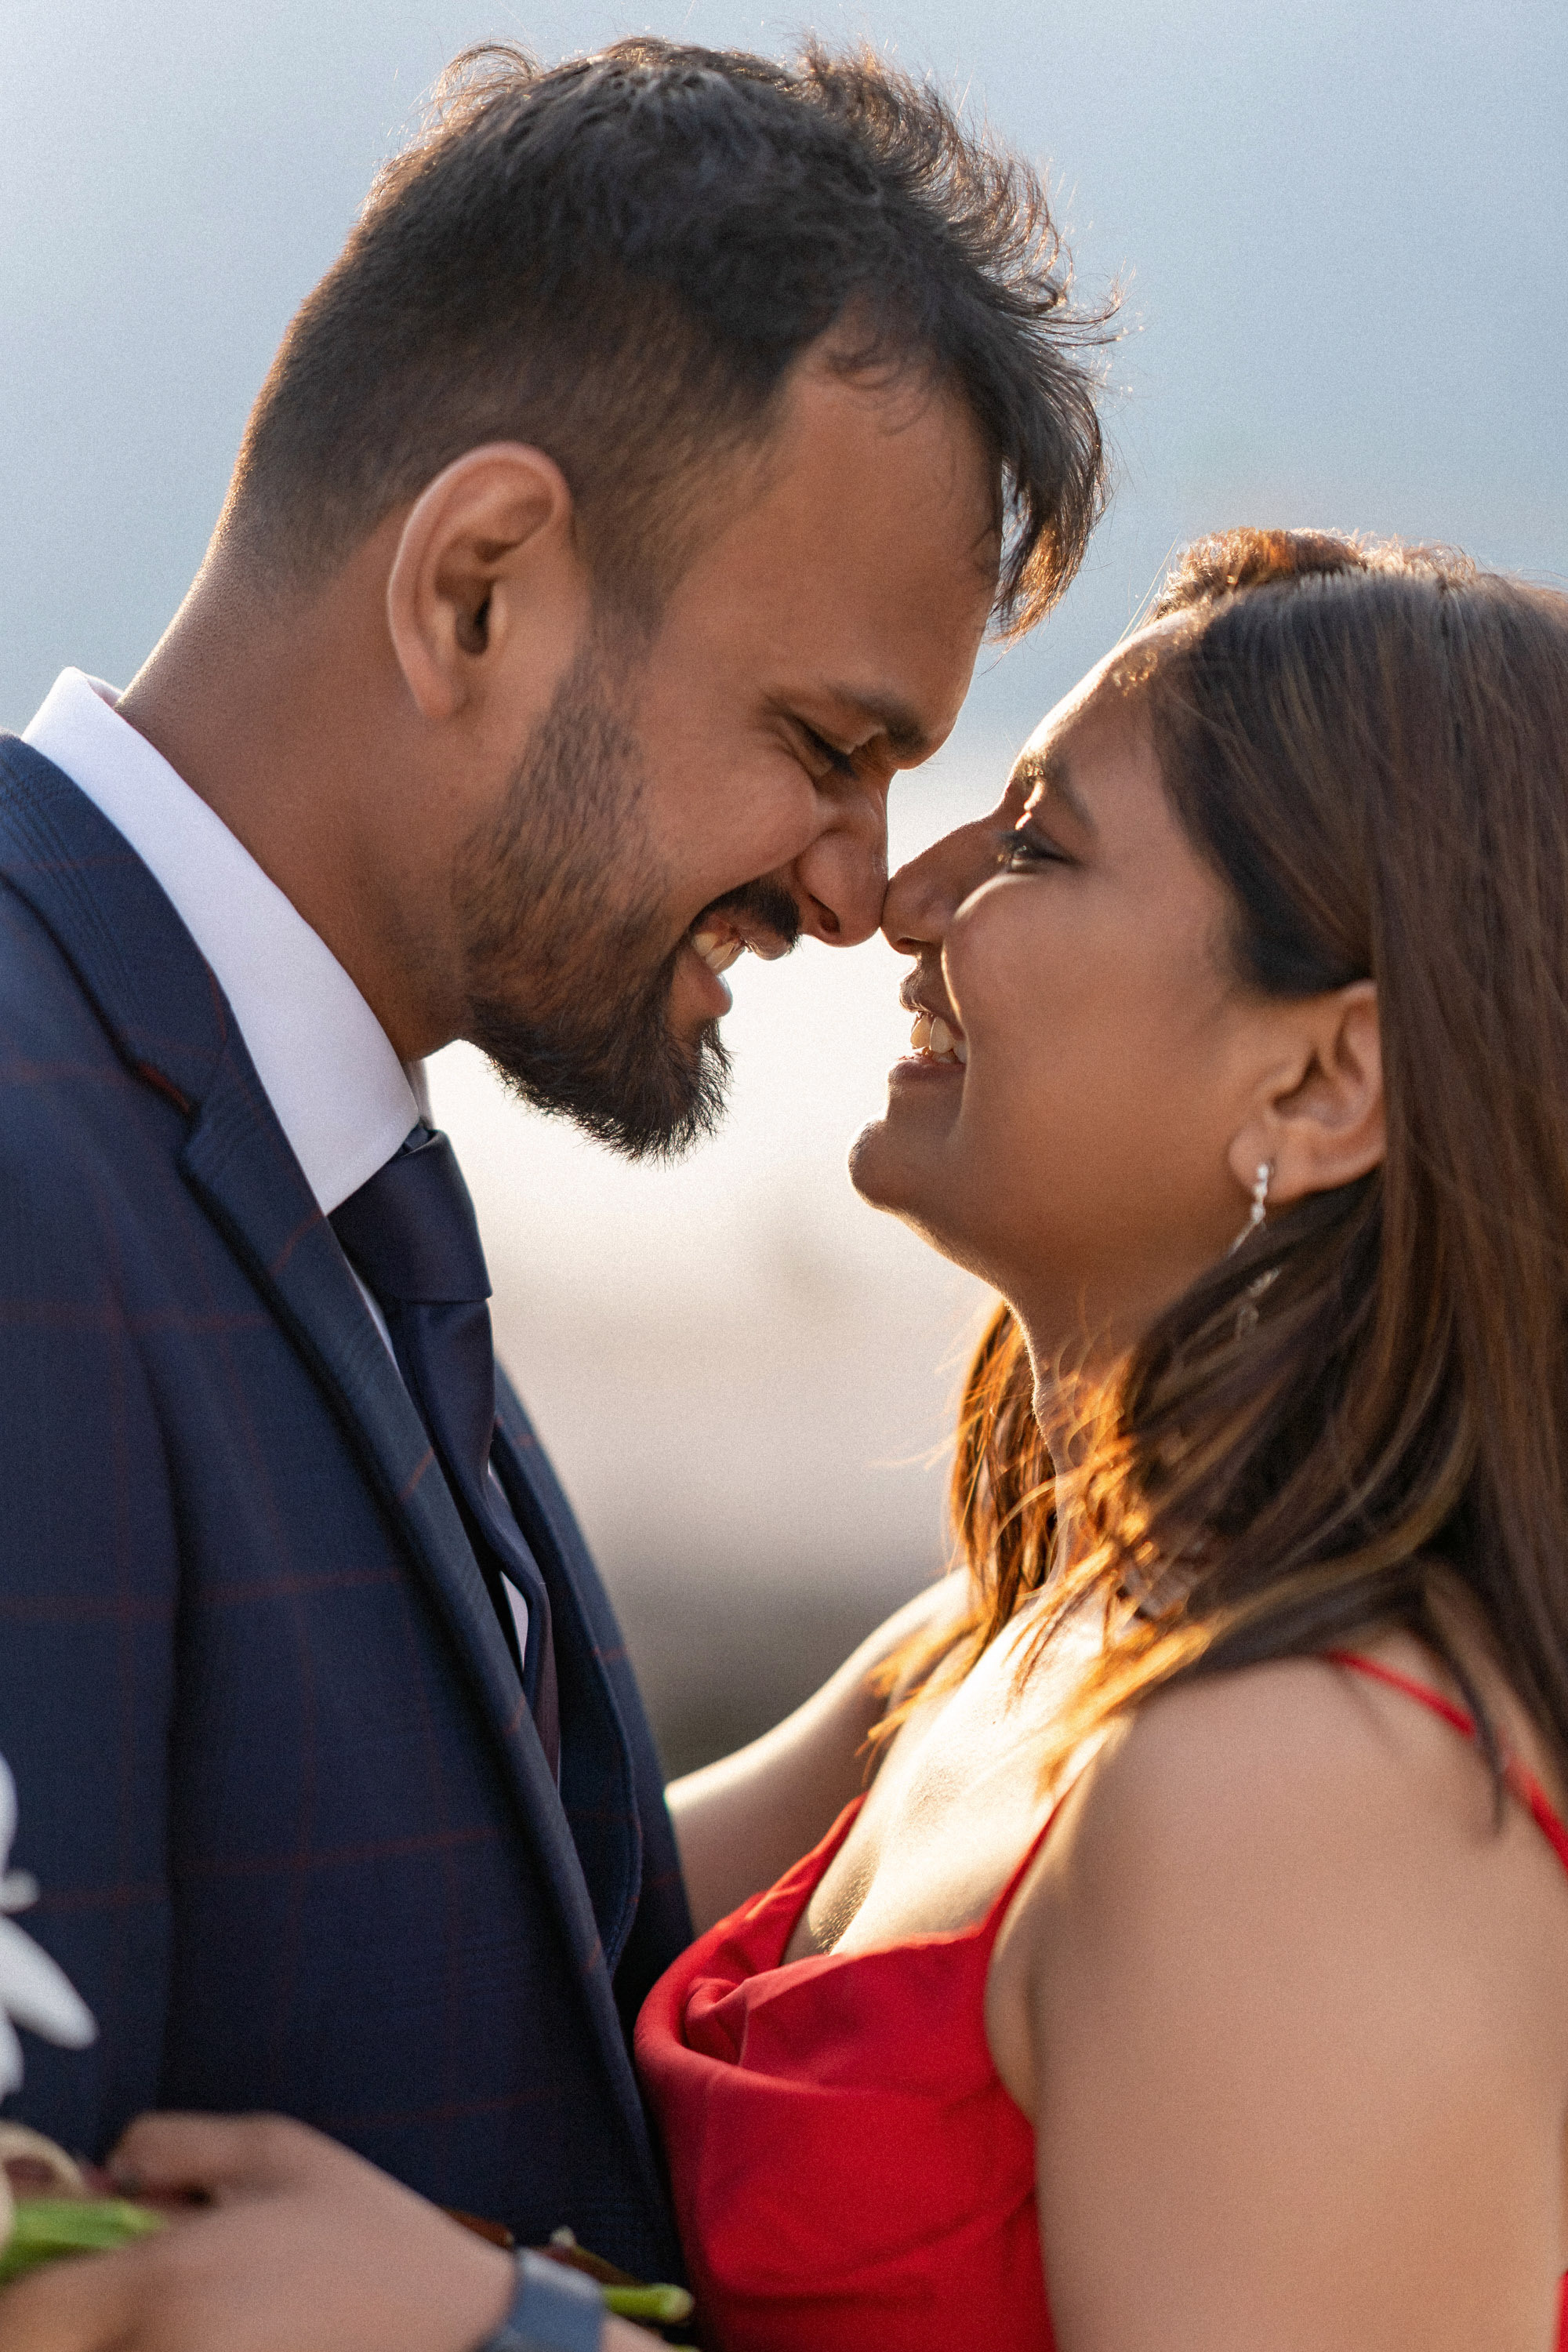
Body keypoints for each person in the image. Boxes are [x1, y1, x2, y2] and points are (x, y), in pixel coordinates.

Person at [10, 524, 1568, 2352]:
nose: (903, 901)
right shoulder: (1005, 1649)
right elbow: (475, 1915)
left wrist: (506, 2336)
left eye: (1038, 844)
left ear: (1319, 1081)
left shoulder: (1313, 1782)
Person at [0, 25, 1109, 2305]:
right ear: (479, 586)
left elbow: (456, 1968)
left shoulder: (323, 1182)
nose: (854, 888)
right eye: (824, 747)